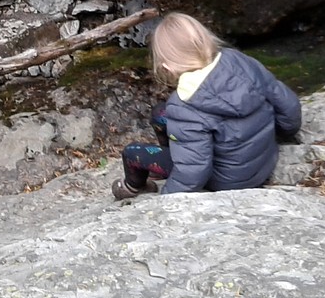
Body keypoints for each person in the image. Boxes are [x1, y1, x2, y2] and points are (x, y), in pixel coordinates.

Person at [113, 12, 302, 200]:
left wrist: (167, 200)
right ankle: (177, 153)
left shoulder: (185, 106)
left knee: (132, 153)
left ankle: (133, 187)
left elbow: (193, 172)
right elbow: (288, 104)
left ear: (167, 67)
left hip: (228, 181)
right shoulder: (237, 60)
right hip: (265, 159)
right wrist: (285, 134)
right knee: (160, 114)